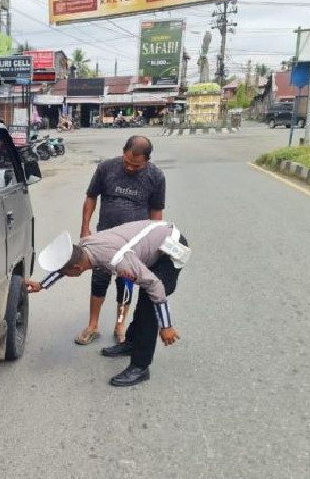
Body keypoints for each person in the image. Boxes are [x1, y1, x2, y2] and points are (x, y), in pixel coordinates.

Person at [25, 220, 190, 387]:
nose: (64, 274)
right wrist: (42, 284)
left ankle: (140, 367)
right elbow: (65, 264)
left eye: (66, 273)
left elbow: (155, 285)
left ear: (77, 269)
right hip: (153, 237)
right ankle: (132, 344)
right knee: (146, 297)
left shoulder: (118, 261)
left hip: (170, 248)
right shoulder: (84, 246)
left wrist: (166, 326)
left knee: (149, 302)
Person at [75, 136, 165, 347]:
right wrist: (85, 228)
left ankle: (119, 324)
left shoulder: (156, 176)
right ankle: (93, 325)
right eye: (126, 162)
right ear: (123, 151)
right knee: (98, 281)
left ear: (147, 160)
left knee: (126, 283)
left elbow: (156, 211)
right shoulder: (106, 168)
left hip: (134, 244)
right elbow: (91, 197)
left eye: (136, 165)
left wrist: (155, 242)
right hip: (103, 238)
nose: (130, 168)